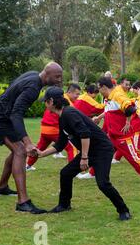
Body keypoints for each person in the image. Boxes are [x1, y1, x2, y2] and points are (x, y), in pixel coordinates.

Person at [36, 87, 131, 220]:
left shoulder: (69, 113)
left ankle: (124, 210)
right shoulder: (62, 117)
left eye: (45, 101)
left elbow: (84, 133)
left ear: (51, 101)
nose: (45, 105)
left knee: (103, 183)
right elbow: (60, 144)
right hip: (90, 150)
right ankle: (64, 205)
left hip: (102, 150)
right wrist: (41, 154)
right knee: (66, 173)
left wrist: (84, 158)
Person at [0, 62, 63, 214]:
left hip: (3, 113)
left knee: (16, 151)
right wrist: (27, 143)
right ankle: (23, 202)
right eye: (57, 76)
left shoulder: (34, 75)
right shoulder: (33, 88)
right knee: (20, 150)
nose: (59, 80)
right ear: (47, 75)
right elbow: (16, 113)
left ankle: (1, 187)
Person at [94, 77, 140, 185]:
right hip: (112, 134)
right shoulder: (110, 96)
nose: (98, 91)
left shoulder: (117, 95)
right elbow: (109, 110)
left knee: (133, 157)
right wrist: (98, 117)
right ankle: (92, 172)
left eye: (99, 88)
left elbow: (130, 108)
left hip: (122, 135)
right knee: (101, 152)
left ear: (103, 87)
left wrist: (127, 122)